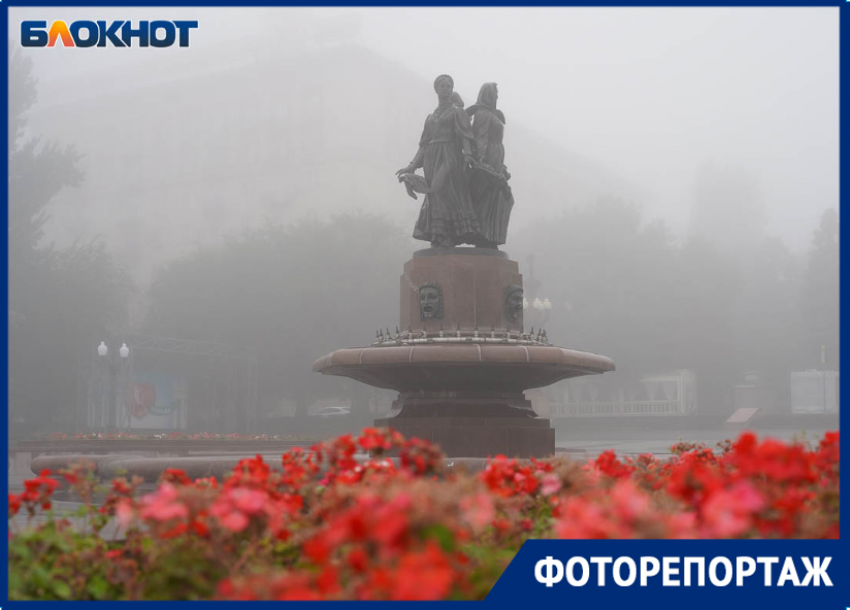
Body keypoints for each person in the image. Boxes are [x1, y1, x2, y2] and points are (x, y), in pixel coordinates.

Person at [396, 75, 480, 248]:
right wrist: (411, 166)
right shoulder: (430, 117)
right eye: (443, 85)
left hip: (450, 155)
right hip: (431, 158)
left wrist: (468, 155)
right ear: (436, 89)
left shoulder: (457, 112)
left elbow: (465, 136)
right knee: (436, 197)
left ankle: (450, 233)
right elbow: (424, 145)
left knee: (441, 190)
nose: (446, 88)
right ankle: (440, 236)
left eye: (449, 86)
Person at [467, 82, 514, 248]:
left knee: (497, 198)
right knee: (487, 197)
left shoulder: (492, 114)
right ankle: (482, 235)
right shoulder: (482, 114)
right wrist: (480, 161)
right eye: (494, 93)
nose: (497, 96)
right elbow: (480, 138)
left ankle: (490, 236)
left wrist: (502, 166)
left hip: (496, 159)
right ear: (487, 94)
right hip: (488, 160)